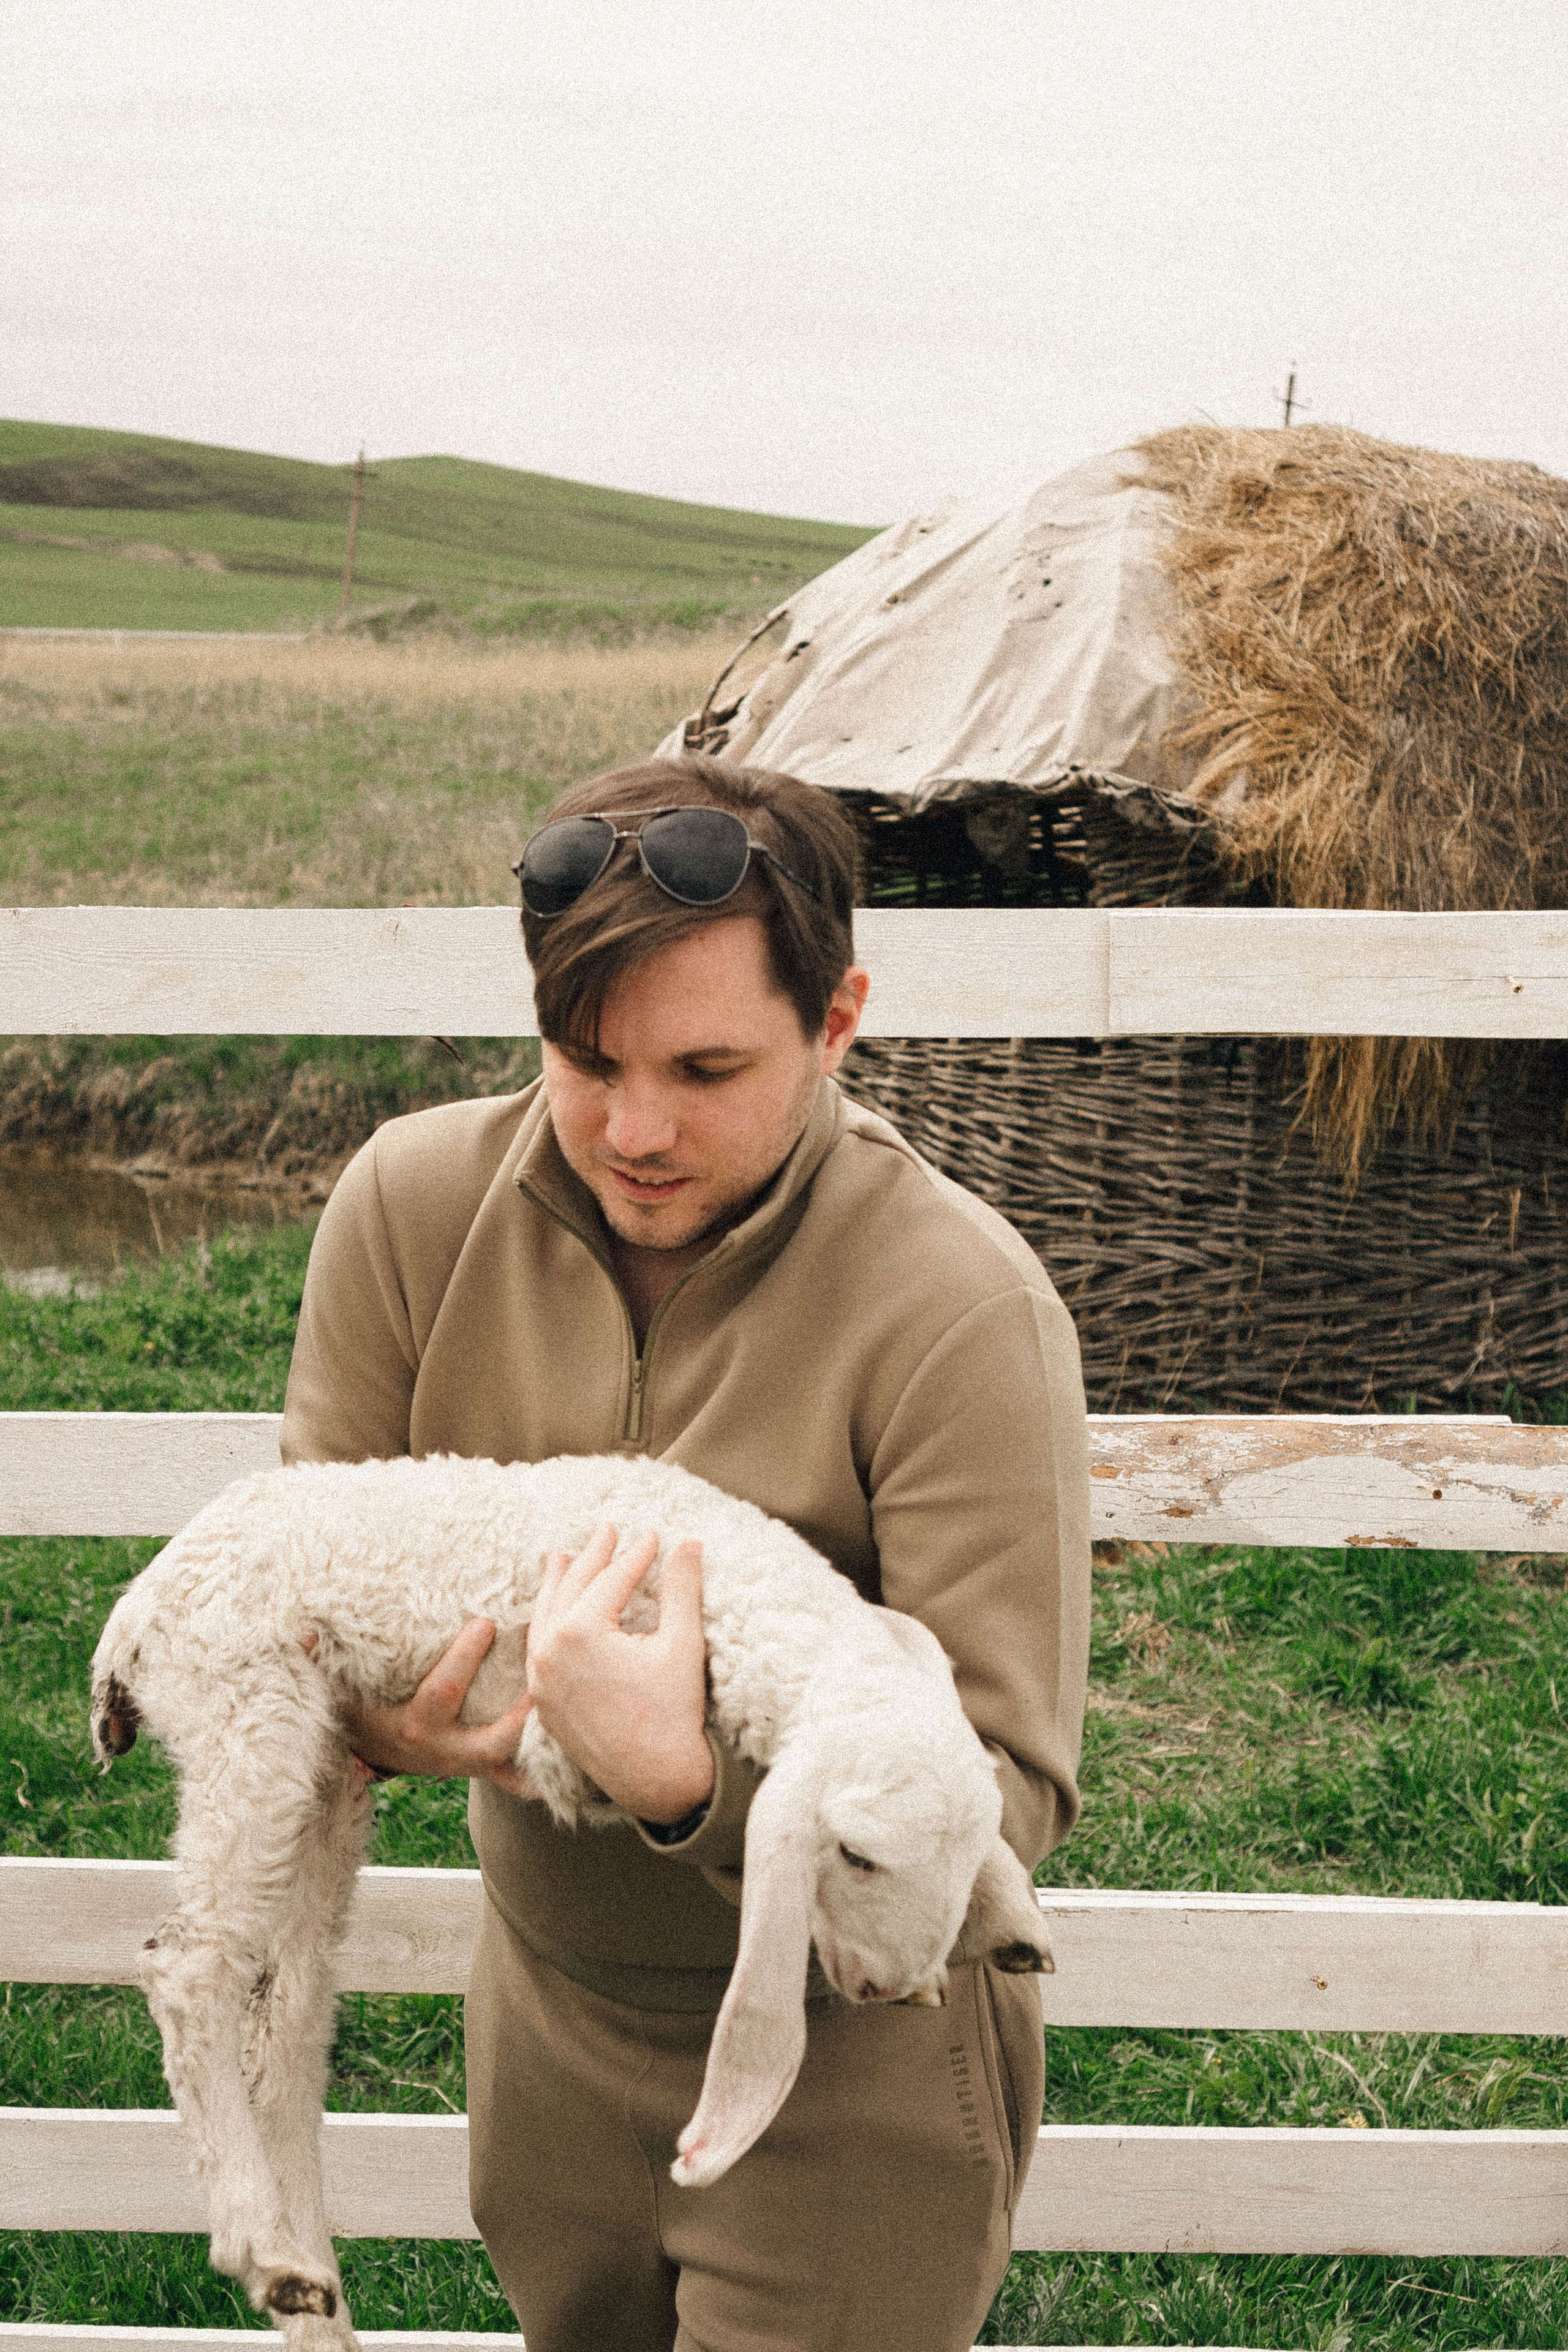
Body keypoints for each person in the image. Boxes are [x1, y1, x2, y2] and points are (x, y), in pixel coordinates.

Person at [280, 752, 1091, 2352]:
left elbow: (1006, 1787)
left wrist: (691, 1790)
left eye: (709, 1069)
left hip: (858, 2070)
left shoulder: (962, 1308)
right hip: (550, 2035)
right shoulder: (408, 1211)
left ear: (838, 1022)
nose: (634, 1130)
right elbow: (304, 1580)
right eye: (587, 1060)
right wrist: (366, 1715)